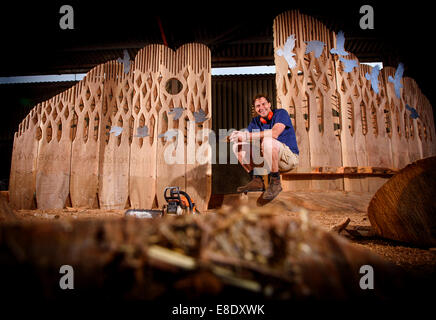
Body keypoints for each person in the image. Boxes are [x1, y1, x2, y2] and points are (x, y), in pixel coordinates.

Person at [229, 94, 299, 200]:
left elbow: (275, 133)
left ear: (269, 104)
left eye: (263, 104)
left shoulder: (281, 113)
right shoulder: (255, 122)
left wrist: (246, 136)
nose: (261, 108)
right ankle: (257, 180)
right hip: (268, 160)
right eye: (258, 106)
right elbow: (245, 137)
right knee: (237, 147)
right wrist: (236, 136)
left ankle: (275, 182)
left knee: (268, 141)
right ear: (255, 109)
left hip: (287, 159)